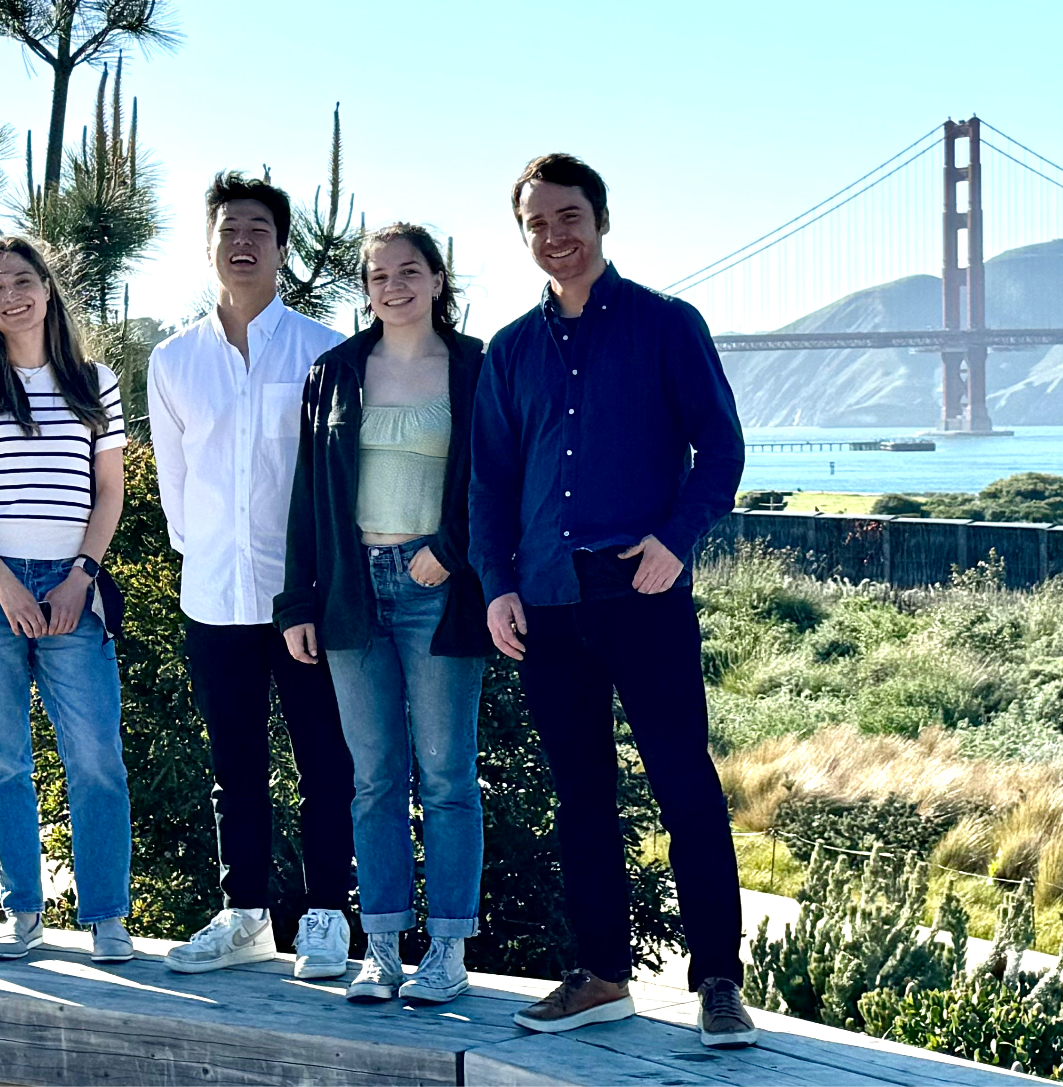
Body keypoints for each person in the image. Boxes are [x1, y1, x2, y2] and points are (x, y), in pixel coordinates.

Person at [468, 154, 758, 1048]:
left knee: (686, 790)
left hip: (643, 589)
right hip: (547, 601)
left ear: (602, 219)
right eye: (538, 224)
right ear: (524, 236)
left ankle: (718, 983)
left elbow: (722, 449)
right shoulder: (511, 350)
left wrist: (677, 540)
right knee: (581, 797)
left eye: (569, 217)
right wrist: (498, 587)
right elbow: (489, 483)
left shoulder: (669, 326)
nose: (556, 236)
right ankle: (599, 975)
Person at [149, 172, 356, 979]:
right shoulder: (173, 360)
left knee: (324, 761)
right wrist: (204, 553)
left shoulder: (323, 349)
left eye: (258, 231)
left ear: (281, 248)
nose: (242, 242)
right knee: (233, 765)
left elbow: (336, 484)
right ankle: (243, 915)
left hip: (301, 596)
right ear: (209, 245)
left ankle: (328, 915)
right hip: (212, 595)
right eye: (228, 228)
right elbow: (174, 485)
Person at [276, 224, 489, 1005]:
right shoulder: (333, 372)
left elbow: (497, 477)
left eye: (409, 271)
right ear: (364, 288)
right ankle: (386, 949)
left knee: (446, 777)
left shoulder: (474, 368)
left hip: (437, 588)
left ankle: (448, 951)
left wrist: (450, 549)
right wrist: (297, 601)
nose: (392, 286)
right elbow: (307, 497)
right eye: (377, 275)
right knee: (371, 779)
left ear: (438, 278)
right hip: (350, 590)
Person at [0, 235, 135, 967]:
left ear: (49, 288)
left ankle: (108, 916)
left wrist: (81, 575)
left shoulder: (94, 381)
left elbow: (109, 493)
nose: (10, 294)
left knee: (96, 757)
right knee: (4, 762)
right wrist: (3, 582)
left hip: (73, 585)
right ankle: (23, 914)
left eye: (22, 280)